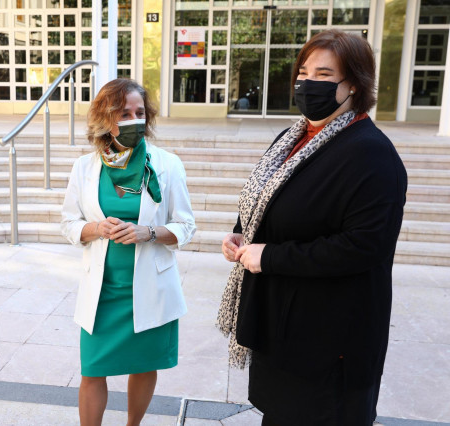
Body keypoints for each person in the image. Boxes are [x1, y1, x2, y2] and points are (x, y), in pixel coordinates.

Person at [217, 30, 407, 426]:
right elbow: (270, 199)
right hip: (283, 328)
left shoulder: (371, 154)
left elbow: (363, 246)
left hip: (329, 339)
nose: (307, 83)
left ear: (354, 84)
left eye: (323, 74)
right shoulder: (294, 136)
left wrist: (269, 255)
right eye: (303, 72)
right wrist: (243, 232)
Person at [61, 78, 196, 426]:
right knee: (92, 370)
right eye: (124, 113)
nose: (134, 119)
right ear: (106, 118)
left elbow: (186, 226)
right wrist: (95, 229)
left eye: (139, 112)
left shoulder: (167, 164)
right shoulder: (84, 167)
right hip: (103, 291)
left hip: (149, 289)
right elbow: (69, 223)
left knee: (143, 364)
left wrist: (147, 232)